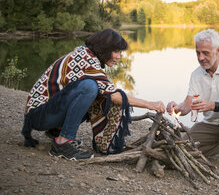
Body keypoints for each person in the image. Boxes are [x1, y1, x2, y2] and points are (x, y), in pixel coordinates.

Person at [22, 29, 165, 160]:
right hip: (39, 116)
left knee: (97, 92)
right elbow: (114, 95)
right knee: (90, 88)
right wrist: (150, 104)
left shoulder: (86, 54)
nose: (118, 56)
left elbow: (107, 90)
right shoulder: (87, 59)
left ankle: (57, 132)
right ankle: (63, 143)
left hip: (42, 113)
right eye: (116, 51)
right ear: (105, 48)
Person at [166, 29, 219, 173]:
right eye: (197, 53)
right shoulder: (196, 75)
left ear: (218, 50)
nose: (200, 58)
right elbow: (187, 106)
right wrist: (176, 108)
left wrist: (213, 105)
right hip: (211, 126)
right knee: (182, 147)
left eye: (205, 53)